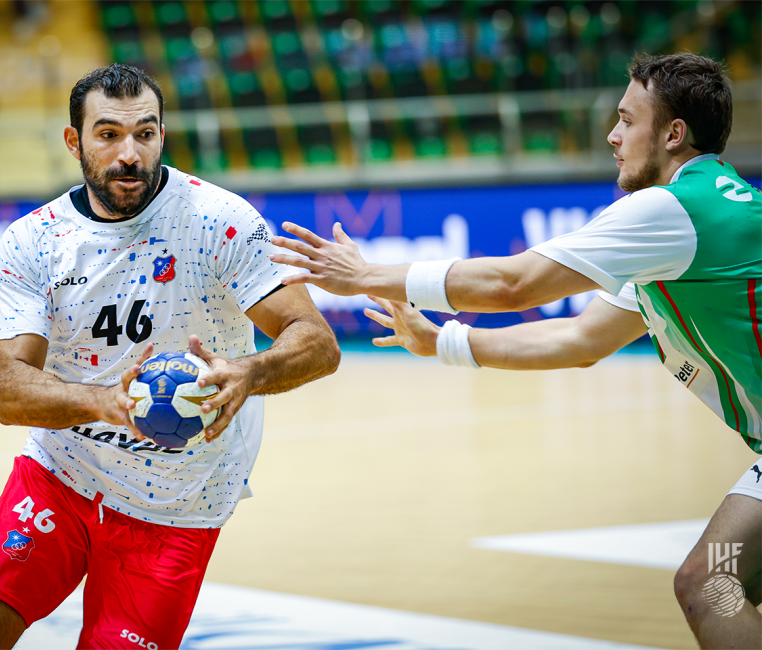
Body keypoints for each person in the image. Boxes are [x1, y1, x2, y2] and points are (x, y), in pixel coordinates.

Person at [271, 52, 762, 648]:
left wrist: (369, 276)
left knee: (710, 582)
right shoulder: (703, 213)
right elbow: (580, 339)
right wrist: (443, 341)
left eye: (627, 120)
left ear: (673, 133)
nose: (612, 135)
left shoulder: (670, 208)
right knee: (716, 583)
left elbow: (515, 283)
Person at [0, 64, 339, 650]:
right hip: (60, 476)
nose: (130, 154)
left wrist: (249, 373)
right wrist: (107, 403)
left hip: (179, 502)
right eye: (108, 134)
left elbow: (317, 341)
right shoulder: (35, 240)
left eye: (145, 133)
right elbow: (8, 390)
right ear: (75, 140)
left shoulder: (220, 222)